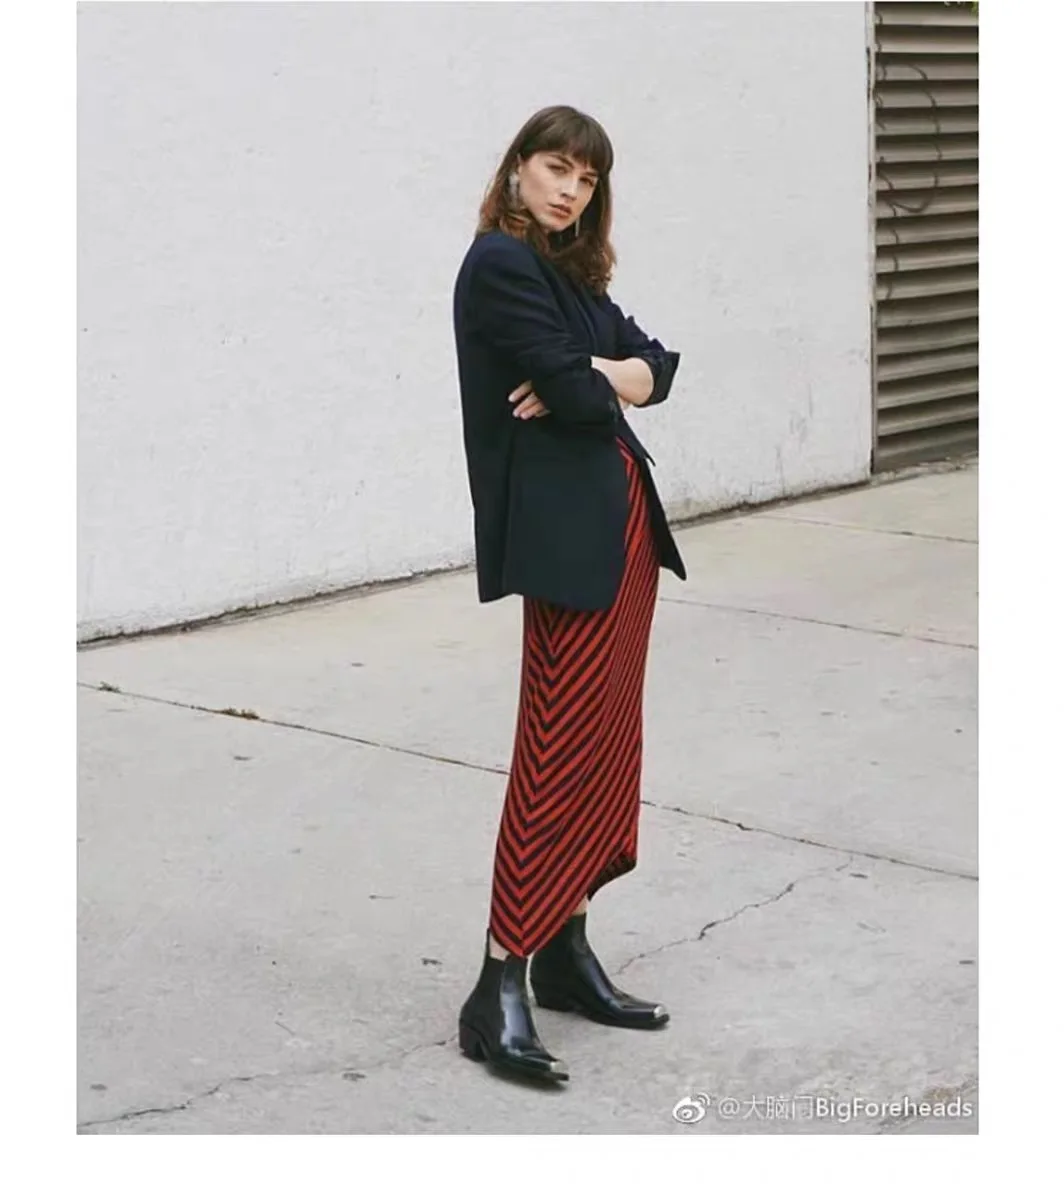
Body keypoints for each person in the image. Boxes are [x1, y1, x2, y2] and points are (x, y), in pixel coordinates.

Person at [451, 105, 687, 1085]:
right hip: (566, 539)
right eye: (556, 168)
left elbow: (659, 367)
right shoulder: (499, 266)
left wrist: (596, 369)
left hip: (622, 532)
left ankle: (563, 949)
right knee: (555, 747)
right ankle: (498, 979)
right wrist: (597, 379)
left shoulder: (573, 276)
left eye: (587, 180)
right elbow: (591, 396)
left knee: (601, 741)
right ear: (517, 167)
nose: (570, 191)